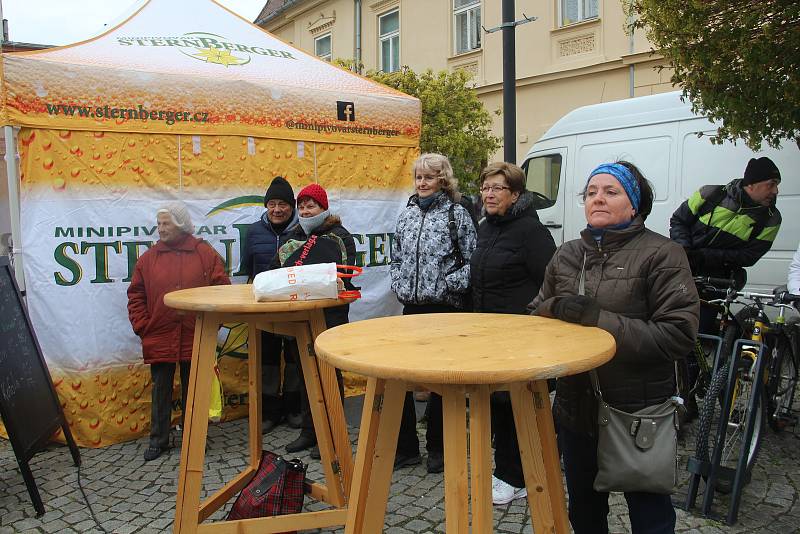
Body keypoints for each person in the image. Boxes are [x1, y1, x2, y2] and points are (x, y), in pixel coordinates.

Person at [530, 161, 699, 533]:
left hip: (638, 409)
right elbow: (534, 319)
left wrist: (598, 320)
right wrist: (554, 307)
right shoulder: (568, 254)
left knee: (650, 517)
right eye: (591, 192)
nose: (598, 199)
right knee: (585, 514)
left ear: (634, 203)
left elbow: (677, 335)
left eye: (611, 191)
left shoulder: (663, 254)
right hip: (577, 409)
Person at [469, 162, 556, 504]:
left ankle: (515, 477)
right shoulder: (487, 227)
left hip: (520, 333)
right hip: (489, 332)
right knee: (498, 404)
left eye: (497, 189)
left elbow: (551, 282)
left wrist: (531, 322)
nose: (489, 194)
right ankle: (505, 470)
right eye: (485, 188)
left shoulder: (531, 232)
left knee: (513, 404)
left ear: (516, 194)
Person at [389, 153, 477, 473]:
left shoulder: (457, 214)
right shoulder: (408, 214)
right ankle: (407, 448)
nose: (422, 182)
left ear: (443, 179)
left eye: (429, 176)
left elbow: (473, 261)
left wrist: (450, 283)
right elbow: (396, 255)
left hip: (445, 307)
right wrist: (398, 282)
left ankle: (439, 448)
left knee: (442, 383)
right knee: (400, 378)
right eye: (418, 177)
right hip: (412, 306)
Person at [127, 202, 230, 461]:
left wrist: (211, 325)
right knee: (160, 389)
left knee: (194, 389)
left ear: (181, 225)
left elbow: (222, 290)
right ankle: (158, 440)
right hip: (159, 335)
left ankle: (193, 438)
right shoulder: (148, 259)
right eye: (159, 223)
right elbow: (136, 294)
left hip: (195, 335)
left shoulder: (205, 254)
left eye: (166, 224)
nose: (160, 229)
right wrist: (143, 326)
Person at [270, 183, 356, 456]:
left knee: (328, 374)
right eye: (302, 206)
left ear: (323, 208)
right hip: (300, 319)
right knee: (307, 375)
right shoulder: (291, 238)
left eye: (312, 206)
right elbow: (277, 272)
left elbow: (345, 275)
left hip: (329, 318)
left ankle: (332, 433)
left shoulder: (340, 236)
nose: (306, 211)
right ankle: (310, 430)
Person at [241, 176, 303, 434]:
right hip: (263, 308)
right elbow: (247, 273)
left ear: (292, 207)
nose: (277, 209)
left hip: (293, 306)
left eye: (283, 204)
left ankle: (293, 409)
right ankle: (269, 412)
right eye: (272, 204)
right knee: (266, 361)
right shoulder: (254, 232)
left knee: (293, 359)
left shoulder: (303, 232)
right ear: (266, 206)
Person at [670, 156, 782, 288]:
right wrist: (684, 249)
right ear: (751, 184)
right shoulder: (709, 194)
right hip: (681, 269)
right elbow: (679, 220)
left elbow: (749, 256)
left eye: (777, 185)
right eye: (771, 184)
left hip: (718, 281)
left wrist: (704, 256)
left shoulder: (771, 219)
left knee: (704, 309)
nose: (776, 191)